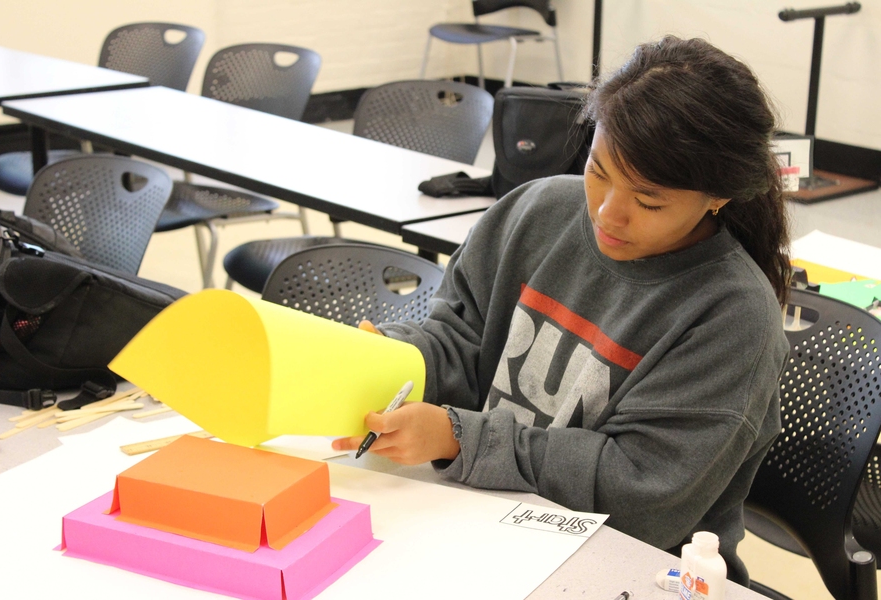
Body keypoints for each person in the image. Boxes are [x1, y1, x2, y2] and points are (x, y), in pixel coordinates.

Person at [332, 35, 790, 585]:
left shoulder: (733, 318)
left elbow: (640, 494)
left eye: (648, 201)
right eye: (599, 171)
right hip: (479, 522)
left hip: (634, 567)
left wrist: (458, 439)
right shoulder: (536, 212)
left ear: (717, 197)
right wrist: (396, 359)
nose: (608, 214)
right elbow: (460, 339)